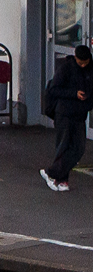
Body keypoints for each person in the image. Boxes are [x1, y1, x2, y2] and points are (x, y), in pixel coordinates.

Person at [41, 45, 93, 192]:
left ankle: (52, 173)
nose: (83, 65)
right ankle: (61, 179)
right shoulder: (66, 68)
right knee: (63, 146)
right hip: (64, 112)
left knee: (78, 149)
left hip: (79, 114)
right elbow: (54, 89)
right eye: (80, 62)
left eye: (85, 63)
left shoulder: (91, 70)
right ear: (75, 58)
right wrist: (74, 94)